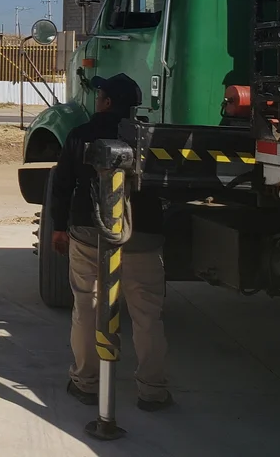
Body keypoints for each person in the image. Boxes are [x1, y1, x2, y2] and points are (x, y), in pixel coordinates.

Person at [48, 72, 172, 412]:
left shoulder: (80, 135)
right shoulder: (149, 138)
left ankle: (86, 383)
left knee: (87, 307)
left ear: (106, 102)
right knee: (147, 314)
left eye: (100, 95)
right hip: (142, 235)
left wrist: (59, 227)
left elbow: (62, 185)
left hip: (90, 233)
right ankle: (152, 391)